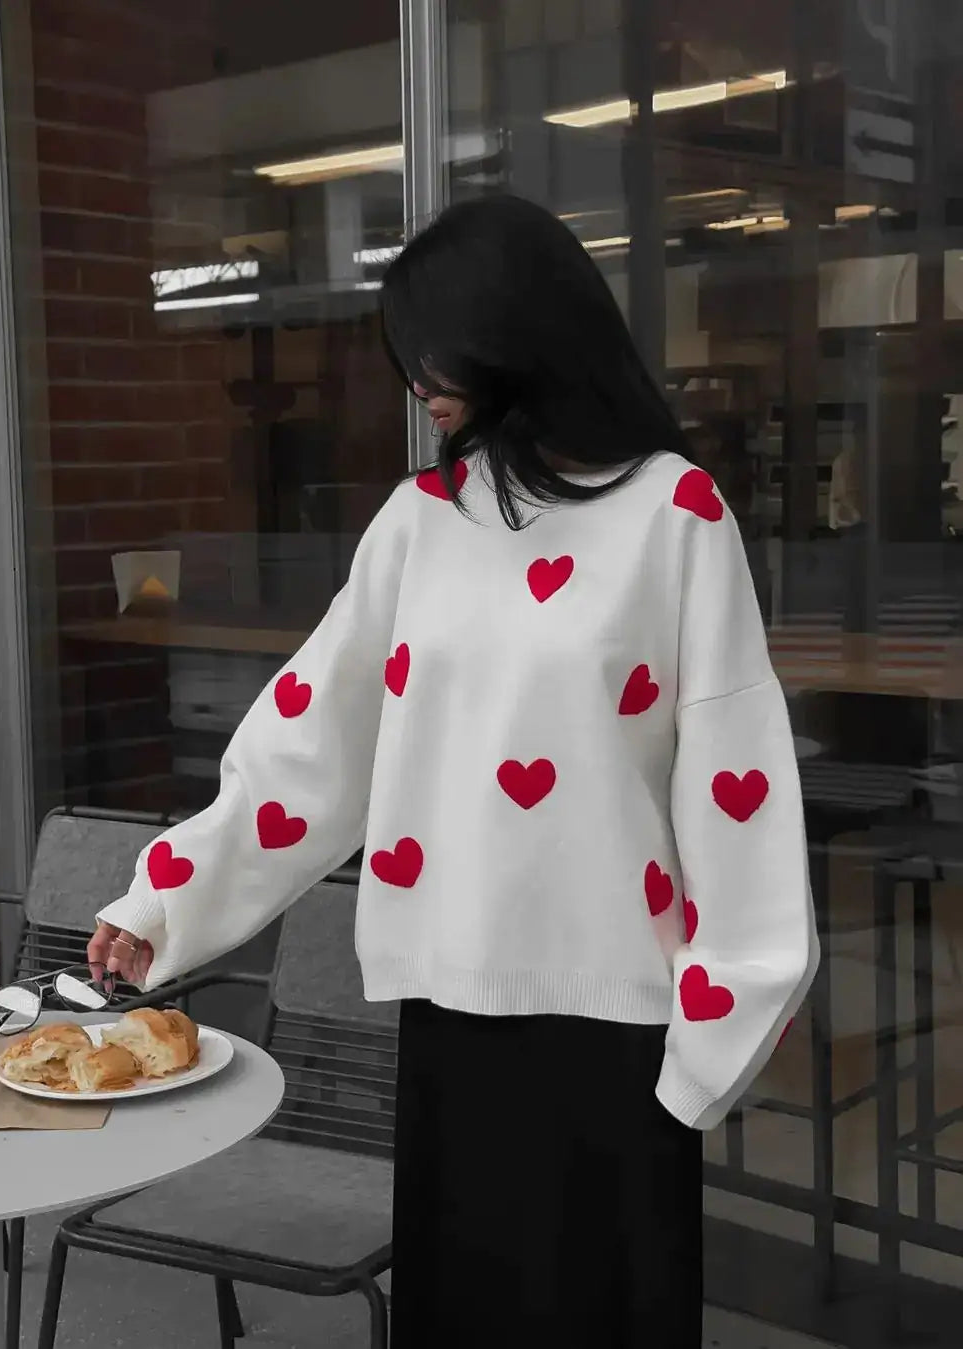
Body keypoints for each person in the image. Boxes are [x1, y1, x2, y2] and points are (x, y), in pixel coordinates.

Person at [90, 194, 818, 1348]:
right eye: (409, 353)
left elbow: (737, 784)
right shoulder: (420, 521)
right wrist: (166, 898)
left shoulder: (677, 514)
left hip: (617, 1023)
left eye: (437, 349)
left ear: (518, 331)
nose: (420, 379)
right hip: (455, 1014)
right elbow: (314, 739)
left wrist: (723, 1024)